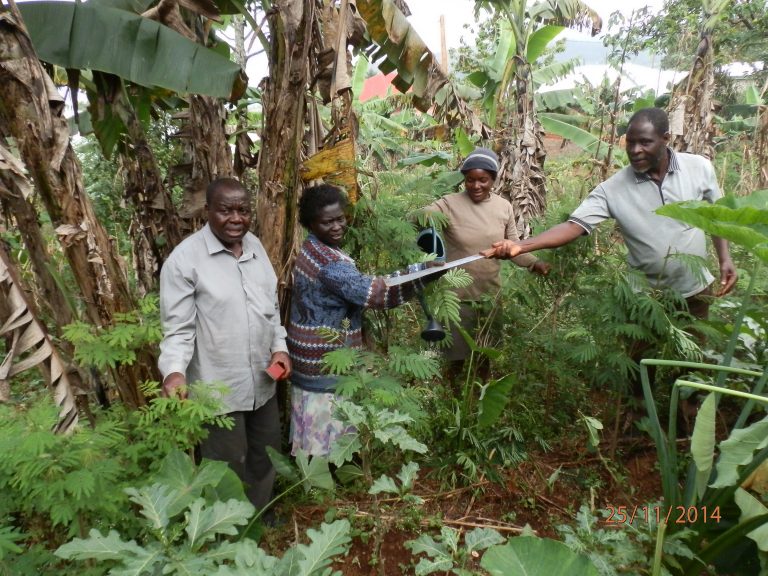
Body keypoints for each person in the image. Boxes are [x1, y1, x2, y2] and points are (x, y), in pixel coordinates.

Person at [482, 108, 738, 317]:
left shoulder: (699, 168)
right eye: (631, 142)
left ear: (666, 139)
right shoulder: (613, 189)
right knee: (639, 369)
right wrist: (521, 246)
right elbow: (574, 226)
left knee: (690, 367)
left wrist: (725, 258)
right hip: (643, 298)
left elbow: (717, 216)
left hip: (695, 289)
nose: (635, 150)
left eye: (645, 142)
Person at [158, 177, 291, 511]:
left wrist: (280, 348)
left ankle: (259, 514)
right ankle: (228, 529)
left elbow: (270, 308)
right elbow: (178, 327)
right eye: (226, 210)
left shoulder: (256, 248)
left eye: (243, 210)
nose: (236, 218)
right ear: (208, 211)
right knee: (228, 461)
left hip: (263, 380)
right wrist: (174, 372)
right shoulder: (184, 261)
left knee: (265, 451)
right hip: (219, 385)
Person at [287, 184, 433, 456]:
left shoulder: (312, 247)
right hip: (323, 358)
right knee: (326, 430)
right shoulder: (328, 263)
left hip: (309, 352)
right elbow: (375, 294)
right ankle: (324, 478)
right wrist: (421, 273)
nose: (336, 226)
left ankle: (321, 473)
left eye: (340, 218)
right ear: (310, 223)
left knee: (318, 424)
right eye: (327, 222)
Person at [421, 147, 550, 369]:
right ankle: (454, 400)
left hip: (490, 296)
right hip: (456, 297)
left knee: (484, 356)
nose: (476, 186)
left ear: (493, 180)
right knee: (455, 359)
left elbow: (514, 246)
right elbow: (422, 218)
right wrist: (431, 250)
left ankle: (477, 398)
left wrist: (535, 263)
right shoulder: (449, 203)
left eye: (483, 180)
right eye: (470, 180)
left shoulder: (503, 207)